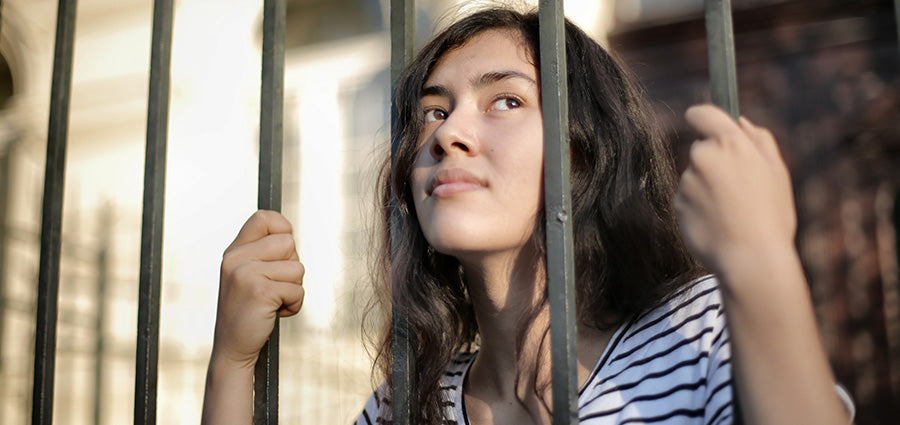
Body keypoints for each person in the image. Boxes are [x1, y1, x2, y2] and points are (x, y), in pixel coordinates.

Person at [201, 6, 853, 425]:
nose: (448, 131)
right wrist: (231, 363)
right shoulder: (404, 406)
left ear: (583, 151)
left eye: (505, 101)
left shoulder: (703, 331)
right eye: (434, 109)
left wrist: (763, 263)